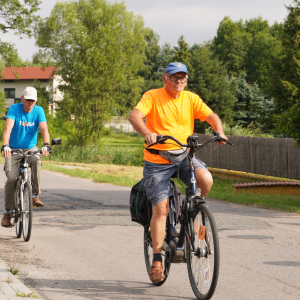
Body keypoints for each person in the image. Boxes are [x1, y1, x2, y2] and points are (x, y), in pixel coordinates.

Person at [128, 62, 227, 283]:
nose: (179, 81)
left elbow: (211, 116)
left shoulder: (191, 98)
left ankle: (189, 213)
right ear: (165, 78)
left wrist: (219, 131)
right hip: (157, 159)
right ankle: (156, 260)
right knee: (161, 209)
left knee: (206, 180)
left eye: (183, 77)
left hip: (184, 156)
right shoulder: (152, 96)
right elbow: (135, 116)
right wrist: (147, 132)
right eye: (174, 77)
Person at [1, 87, 51, 228]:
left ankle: (34, 195)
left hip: (30, 148)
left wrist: (46, 145)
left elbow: (44, 129)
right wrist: (5, 145)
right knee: (11, 179)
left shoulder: (38, 110)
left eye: (32, 100)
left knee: (36, 160)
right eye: (27, 100)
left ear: (35, 101)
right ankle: (8, 213)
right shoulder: (14, 109)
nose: (30, 103)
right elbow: (7, 129)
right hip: (13, 149)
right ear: (22, 98)